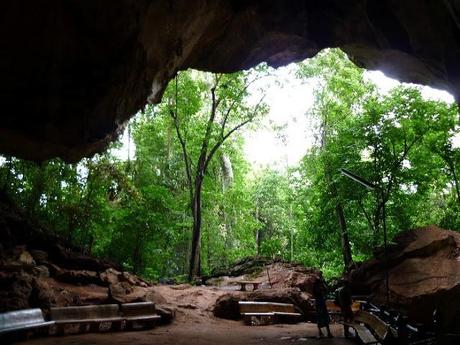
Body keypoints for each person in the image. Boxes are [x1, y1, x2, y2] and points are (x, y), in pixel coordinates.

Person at [313, 273, 333, 338]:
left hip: (321, 303)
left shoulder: (320, 287)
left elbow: (326, 289)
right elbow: (323, 290)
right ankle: (321, 332)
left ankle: (328, 332)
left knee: (324, 317)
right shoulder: (316, 288)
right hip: (319, 303)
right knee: (320, 317)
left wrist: (322, 282)